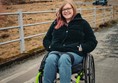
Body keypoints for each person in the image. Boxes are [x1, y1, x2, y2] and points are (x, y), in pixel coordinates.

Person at [42, 1, 98, 83]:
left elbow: (92, 41)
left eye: (68, 8)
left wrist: (82, 47)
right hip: (56, 51)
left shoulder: (82, 23)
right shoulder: (56, 23)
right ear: (61, 12)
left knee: (64, 58)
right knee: (50, 58)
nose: (66, 11)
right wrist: (50, 46)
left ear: (73, 9)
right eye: (63, 9)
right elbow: (46, 39)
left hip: (74, 53)